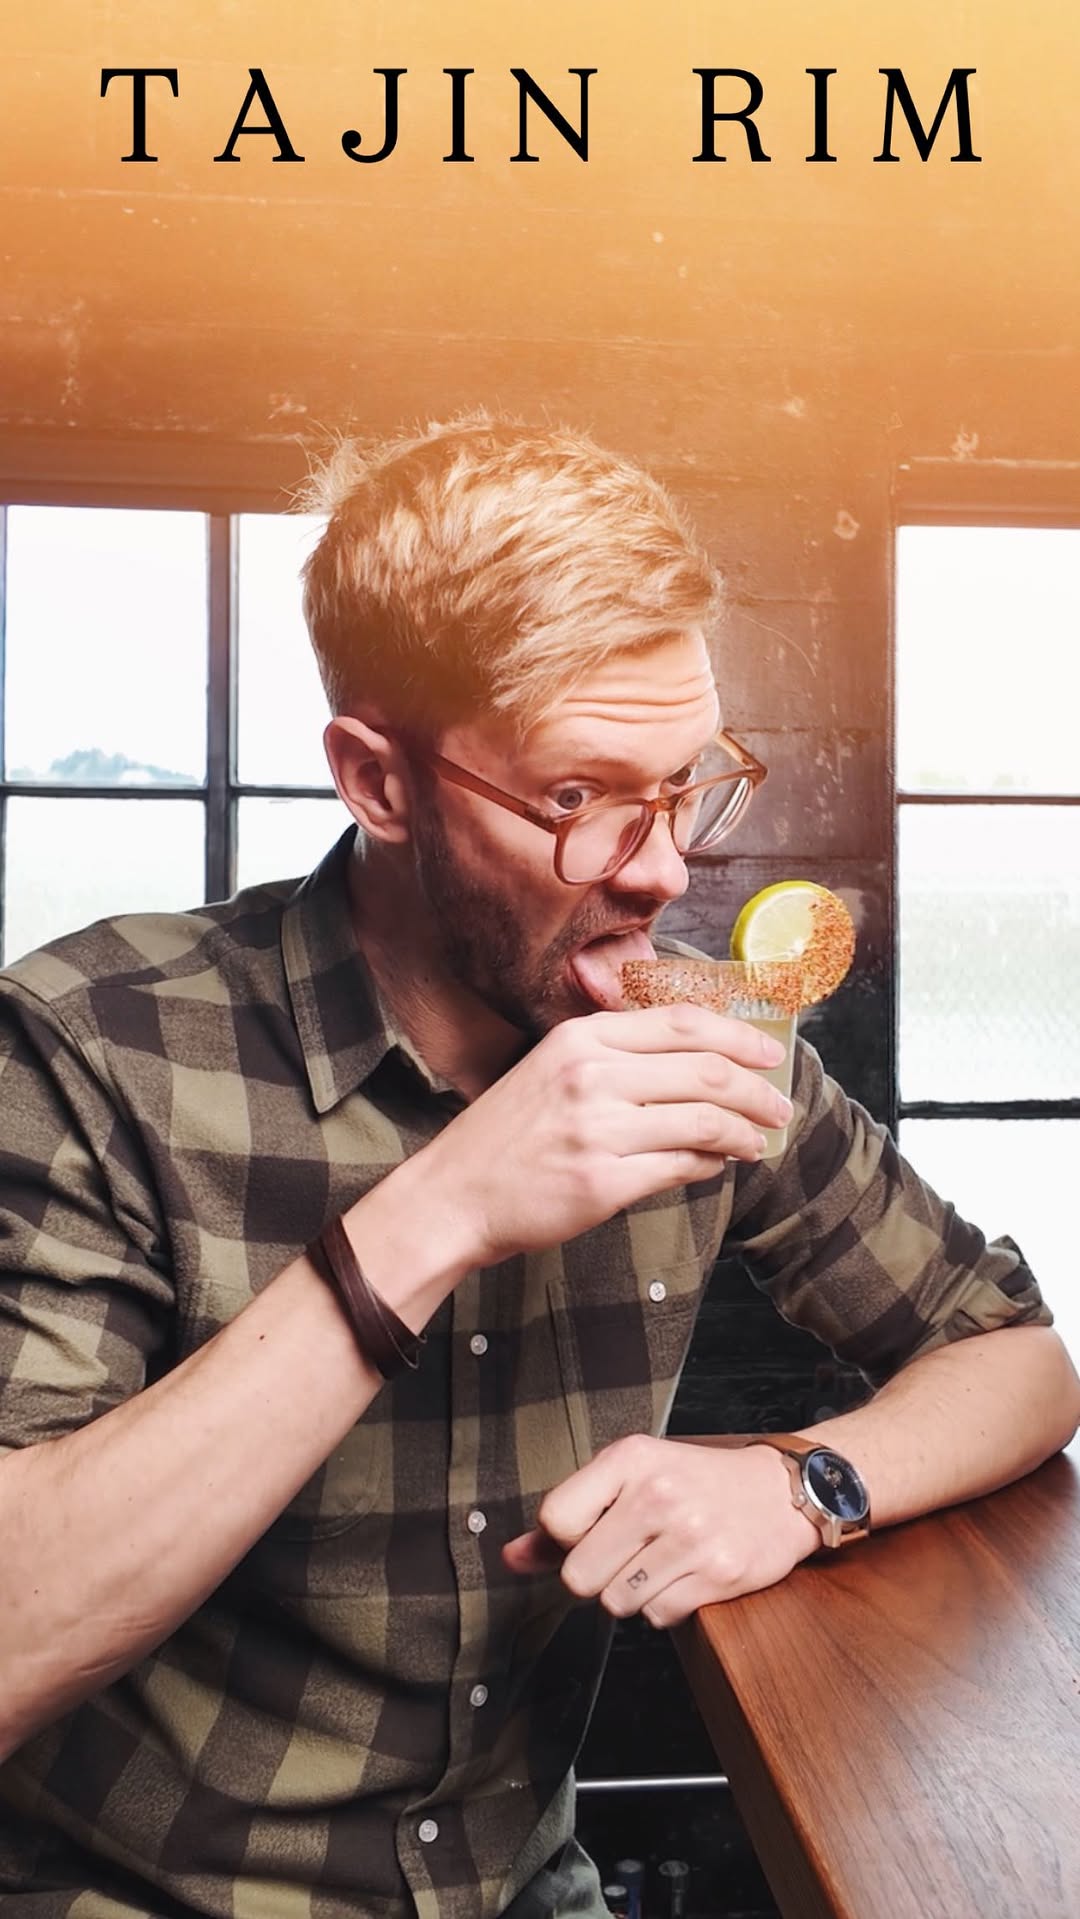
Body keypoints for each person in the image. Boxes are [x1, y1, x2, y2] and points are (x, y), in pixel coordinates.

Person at [0, 415, 1075, 1919]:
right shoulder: (91, 1048)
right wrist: (437, 1212)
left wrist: (803, 1484)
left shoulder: (700, 1038)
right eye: (579, 797)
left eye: (684, 784)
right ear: (377, 782)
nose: (662, 868)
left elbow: (1017, 1360)